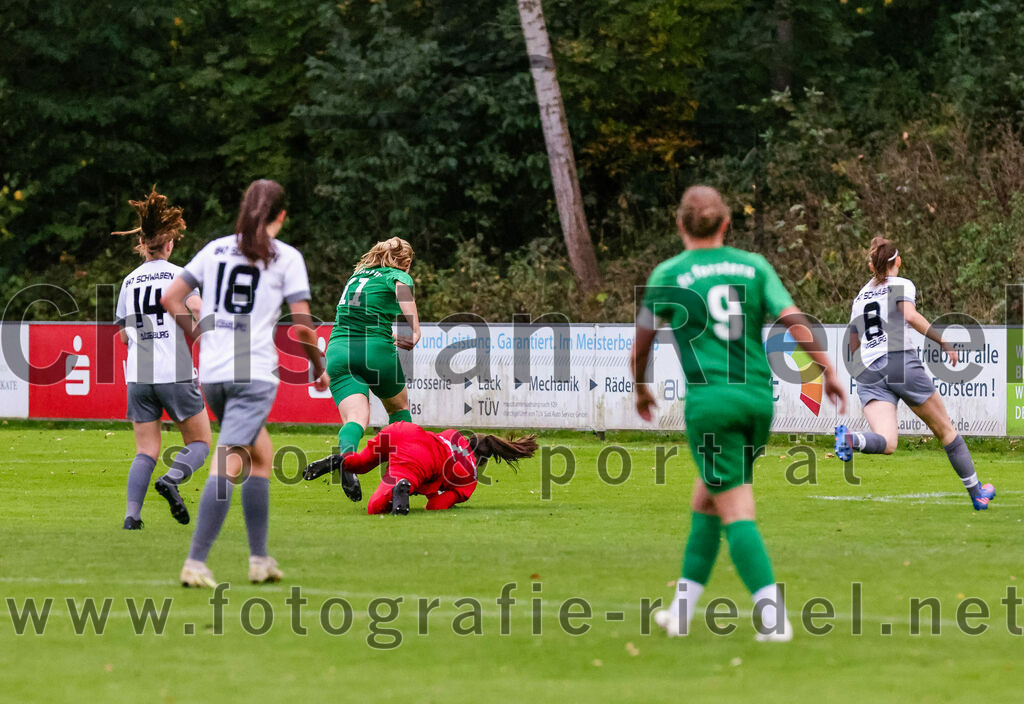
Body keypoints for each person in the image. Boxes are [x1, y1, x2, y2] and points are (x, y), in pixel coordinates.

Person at [632, 185, 846, 642]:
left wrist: (640, 387)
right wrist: (826, 370)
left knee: (735, 508)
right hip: (756, 402)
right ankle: (680, 613)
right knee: (707, 499)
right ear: (726, 223)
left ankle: (774, 619)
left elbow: (641, 344)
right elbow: (792, 319)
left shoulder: (669, 273)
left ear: (679, 224)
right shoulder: (754, 266)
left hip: (712, 406)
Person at [161, 179, 328, 587]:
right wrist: (318, 365)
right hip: (253, 376)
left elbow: (170, 298)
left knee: (261, 456)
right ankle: (195, 562)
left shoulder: (214, 249)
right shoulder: (286, 257)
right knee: (230, 460)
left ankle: (259, 559)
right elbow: (303, 326)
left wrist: (200, 335)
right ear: (281, 216)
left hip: (214, 374)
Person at [834, 237, 995, 510]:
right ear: (897, 261)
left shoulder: (860, 296)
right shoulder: (901, 284)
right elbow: (908, 315)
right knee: (946, 430)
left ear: (872, 265)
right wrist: (942, 341)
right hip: (898, 360)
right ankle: (977, 494)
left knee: (887, 442)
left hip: (867, 370)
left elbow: (853, 341)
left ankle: (853, 439)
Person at [113, 188, 212, 530]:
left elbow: (124, 335)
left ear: (142, 243)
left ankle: (132, 517)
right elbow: (198, 309)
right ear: (169, 244)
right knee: (200, 442)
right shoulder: (180, 276)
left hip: (138, 375)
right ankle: (171, 480)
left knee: (146, 450)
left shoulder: (129, 281)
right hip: (175, 370)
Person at [303, 237, 421, 499]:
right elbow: (403, 291)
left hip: (338, 351)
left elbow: (359, 318)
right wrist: (415, 329)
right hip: (375, 352)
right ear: (406, 261)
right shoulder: (396, 275)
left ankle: (347, 460)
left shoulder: (357, 276)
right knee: (399, 410)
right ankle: (399, 476)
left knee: (355, 418)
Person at [303, 421, 537, 515]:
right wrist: (442, 496)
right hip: (419, 457)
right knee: (375, 507)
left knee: (362, 463)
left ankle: (342, 461)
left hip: (403, 431)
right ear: (483, 461)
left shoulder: (453, 435)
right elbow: (435, 506)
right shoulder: (469, 477)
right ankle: (403, 486)